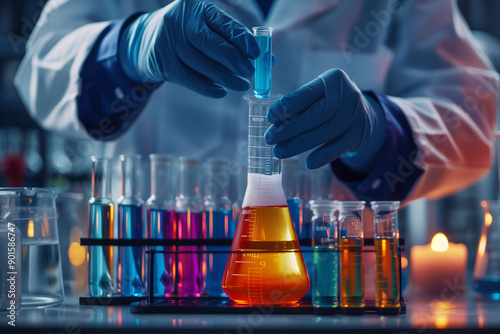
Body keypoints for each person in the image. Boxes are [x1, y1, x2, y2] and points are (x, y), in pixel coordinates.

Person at [14, 0, 499, 204]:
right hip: (157, 277)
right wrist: (133, 46)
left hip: (331, 289)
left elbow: (475, 104)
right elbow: (39, 74)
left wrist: (381, 128)